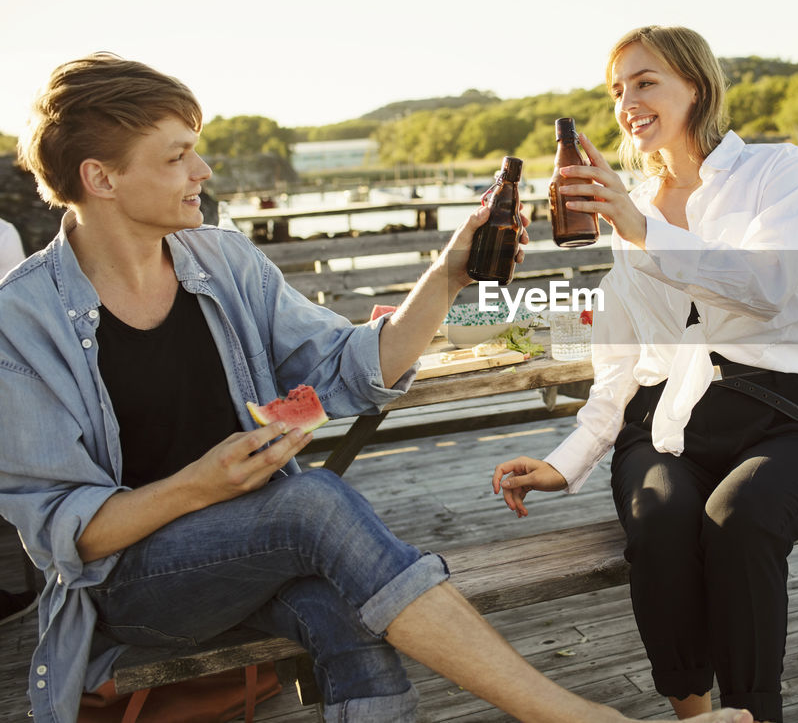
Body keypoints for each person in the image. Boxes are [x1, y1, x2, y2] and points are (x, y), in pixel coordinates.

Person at [0, 53, 753, 723]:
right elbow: (68, 534)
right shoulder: (23, 319)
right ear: (101, 178)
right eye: (178, 157)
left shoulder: (221, 260)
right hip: (134, 589)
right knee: (315, 501)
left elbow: (348, 366)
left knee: (349, 619)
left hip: (259, 550)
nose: (203, 173)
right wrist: (197, 485)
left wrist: (451, 273)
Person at [493, 26, 798, 722]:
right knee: (660, 522)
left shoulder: (777, 172)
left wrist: (643, 229)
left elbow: (769, 285)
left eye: (645, 80)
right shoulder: (636, 212)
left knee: (739, 519)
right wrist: (566, 463)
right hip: (662, 426)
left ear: (696, 84)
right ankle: (695, 714)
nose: (628, 100)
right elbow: (621, 364)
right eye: (617, 88)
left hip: (775, 416)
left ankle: (752, 714)